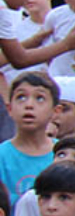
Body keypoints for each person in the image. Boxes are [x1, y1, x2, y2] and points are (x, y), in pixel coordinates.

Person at [0, 73, 57, 201]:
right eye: (21, 97)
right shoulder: (2, 156)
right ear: (9, 109)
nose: (29, 105)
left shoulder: (63, 154)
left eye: (40, 98)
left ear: (55, 111)